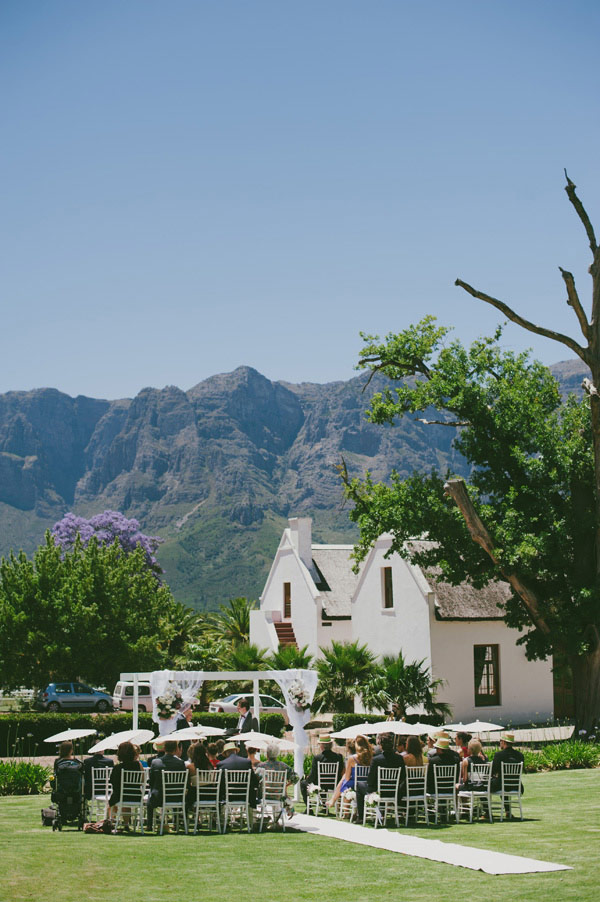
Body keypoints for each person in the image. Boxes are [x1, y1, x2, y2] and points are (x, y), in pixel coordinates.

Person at [356, 733, 405, 821]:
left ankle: (361, 817)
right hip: (394, 792)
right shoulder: (399, 758)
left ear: (381, 746)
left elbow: (370, 780)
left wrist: (371, 786)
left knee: (359, 785)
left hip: (378, 792)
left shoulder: (376, 760)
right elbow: (403, 776)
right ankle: (379, 812)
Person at [146, 739, 187, 830]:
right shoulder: (180, 763)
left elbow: (151, 781)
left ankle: (149, 825)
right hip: (176, 797)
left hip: (158, 797)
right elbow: (184, 781)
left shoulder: (155, 762)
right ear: (176, 749)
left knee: (149, 801)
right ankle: (176, 823)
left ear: (164, 748)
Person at [329, 734, 373, 808]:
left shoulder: (352, 758)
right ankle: (333, 800)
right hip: (366, 784)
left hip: (354, 784)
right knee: (344, 780)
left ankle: (337, 803)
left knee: (344, 780)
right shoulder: (371, 757)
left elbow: (347, 777)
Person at [107, 741, 144, 826]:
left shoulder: (117, 768)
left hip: (121, 795)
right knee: (124, 798)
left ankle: (111, 821)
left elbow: (113, 782)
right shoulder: (138, 765)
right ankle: (126, 823)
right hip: (136, 795)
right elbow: (142, 780)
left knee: (113, 799)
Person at [300, 735, 343, 805]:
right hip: (334, 784)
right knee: (321, 783)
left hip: (321, 784)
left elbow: (313, 775)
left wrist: (307, 780)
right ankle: (324, 806)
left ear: (322, 746)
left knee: (303, 783)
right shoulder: (338, 757)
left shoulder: (317, 758)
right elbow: (340, 771)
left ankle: (309, 808)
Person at [216, 740, 259, 808]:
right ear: (235, 751)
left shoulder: (221, 764)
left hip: (228, 796)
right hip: (245, 795)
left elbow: (218, 783)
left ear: (226, 753)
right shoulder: (246, 762)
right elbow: (254, 779)